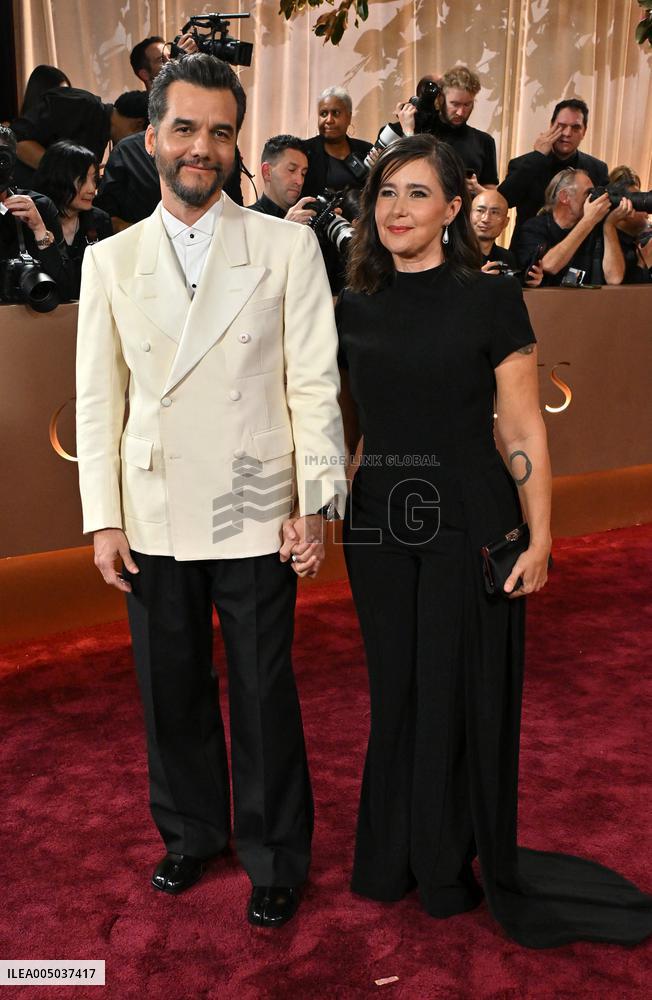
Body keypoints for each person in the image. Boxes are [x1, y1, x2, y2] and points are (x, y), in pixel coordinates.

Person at [335, 132, 652, 948]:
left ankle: (443, 865)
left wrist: (541, 536)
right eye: (386, 193)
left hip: (468, 514)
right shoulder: (351, 301)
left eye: (416, 193)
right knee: (394, 689)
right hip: (377, 521)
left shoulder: (488, 296)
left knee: (448, 689)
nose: (397, 209)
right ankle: (387, 857)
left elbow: (520, 425)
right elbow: (349, 425)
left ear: (451, 208)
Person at [75, 53, 345, 929]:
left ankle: (275, 854)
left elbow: (314, 382)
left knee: (265, 694)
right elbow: (97, 399)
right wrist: (103, 518)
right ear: (151, 137)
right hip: (154, 511)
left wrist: (315, 501)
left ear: (237, 145)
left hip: (255, 504)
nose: (203, 148)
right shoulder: (110, 260)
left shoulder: (285, 244)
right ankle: (192, 833)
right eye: (185, 128)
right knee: (171, 685)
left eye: (220, 132)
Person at [499, 98, 609, 240]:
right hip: (527, 248)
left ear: (584, 132)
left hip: (577, 251)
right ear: (551, 126)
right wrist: (537, 157)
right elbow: (504, 200)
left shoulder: (597, 168)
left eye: (575, 128)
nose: (567, 133)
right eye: (561, 126)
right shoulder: (523, 164)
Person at [511, 167, 629, 286]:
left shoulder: (595, 227)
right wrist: (588, 221)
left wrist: (609, 226)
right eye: (588, 193)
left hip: (585, 303)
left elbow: (615, 278)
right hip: (546, 302)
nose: (592, 199)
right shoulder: (534, 228)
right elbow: (549, 265)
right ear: (564, 197)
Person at [10, 86, 146, 188]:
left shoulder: (102, 132)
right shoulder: (83, 104)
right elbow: (18, 140)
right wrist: (69, 174)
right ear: (138, 124)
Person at [396, 66, 498, 194]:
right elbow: (401, 176)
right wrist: (408, 131)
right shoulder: (416, 129)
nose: (461, 112)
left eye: (467, 104)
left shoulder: (484, 141)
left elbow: (492, 196)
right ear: (440, 99)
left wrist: (477, 189)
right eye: (454, 104)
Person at [32, 141, 113, 298]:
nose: (92, 189)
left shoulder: (100, 221)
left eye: (94, 179)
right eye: (83, 180)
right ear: (58, 179)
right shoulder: (31, 220)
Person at [0, 126, 71, 301]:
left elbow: (65, 289)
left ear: (12, 162)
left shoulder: (39, 207)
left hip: (28, 323)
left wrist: (39, 229)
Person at [301, 87, 372, 198]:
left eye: (336, 113)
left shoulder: (366, 150)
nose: (329, 120)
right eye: (323, 114)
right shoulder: (305, 151)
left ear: (349, 117)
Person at [470, 189, 543, 286]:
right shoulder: (452, 254)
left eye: (495, 212)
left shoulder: (508, 258)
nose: (486, 219)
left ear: (505, 222)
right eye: (480, 210)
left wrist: (531, 282)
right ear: (469, 215)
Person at [247, 134, 315, 223]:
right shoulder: (245, 220)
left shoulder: (306, 219)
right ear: (267, 172)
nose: (300, 181)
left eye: (303, 174)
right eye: (292, 170)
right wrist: (287, 227)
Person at [608, 165, 652, 284]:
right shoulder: (608, 246)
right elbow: (620, 295)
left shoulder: (641, 241)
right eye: (638, 202)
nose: (646, 212)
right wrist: (643, 263)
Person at [129, 33, 198, 90]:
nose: (170, 61)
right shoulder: (140, 105)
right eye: (161, 59)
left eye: (170, 56)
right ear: (145, 74)